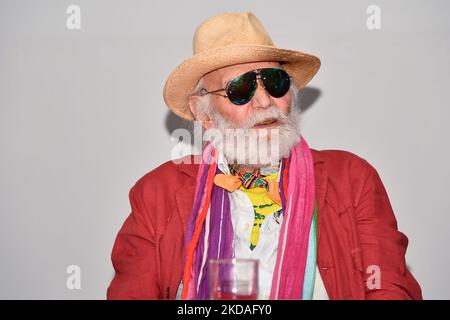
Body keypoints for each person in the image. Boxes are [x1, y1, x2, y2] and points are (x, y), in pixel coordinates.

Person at [107, 12, 422, 300]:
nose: (264, 101)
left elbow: (389, 289)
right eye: (240, 89)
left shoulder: (352, 179)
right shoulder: (155, 195)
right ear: (203, 113)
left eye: (275, 82)